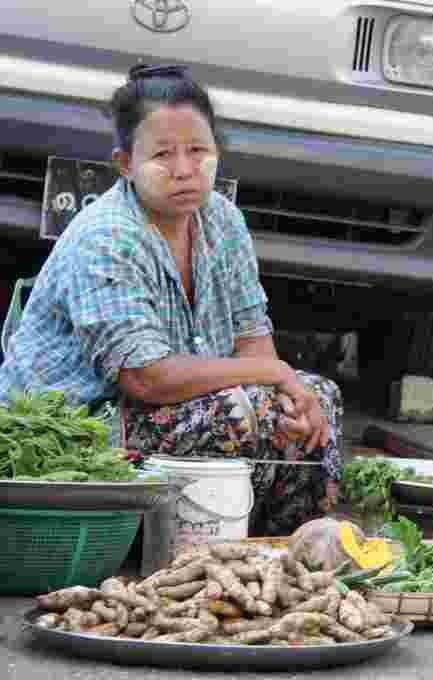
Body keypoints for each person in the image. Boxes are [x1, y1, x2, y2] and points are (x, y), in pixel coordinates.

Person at [0, 64, 344, 536]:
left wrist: (285, 392)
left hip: (168, 403)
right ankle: (173, 544)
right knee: (239, 410)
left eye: (198, 151)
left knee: (316, 401)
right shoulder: (106, 238)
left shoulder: (223, 220)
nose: (184, 170)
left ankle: (276, 549)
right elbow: (146, 378)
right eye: (162, 155)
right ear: (125, 165)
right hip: (77, 428)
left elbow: (252, 337)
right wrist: (274, 375)